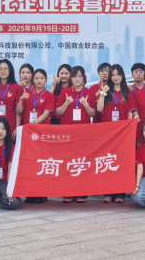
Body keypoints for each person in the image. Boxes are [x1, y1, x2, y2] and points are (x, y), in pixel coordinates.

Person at [96, 64, 136, 203]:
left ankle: (120, 193)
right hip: (107, 132)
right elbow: (99, 108)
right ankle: (108, 192)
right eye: (113, 75)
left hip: (122, 133)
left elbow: (130, 113)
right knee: (107, 161)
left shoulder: (128, 92)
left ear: (122, 75)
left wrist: (130, 130)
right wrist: (102, 93)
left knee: (120, 162)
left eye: (118, 74)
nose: (115, 77)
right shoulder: (106, 90)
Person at [55, 66, 96, 203]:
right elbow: (58, 113)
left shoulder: (89, 93)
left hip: (84, 133)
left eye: (79, 76)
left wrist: (85, 104)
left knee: (82, 162)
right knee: (67, 162)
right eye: (74, 76)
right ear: (71, 78)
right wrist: (66, 103)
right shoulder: (64, 93)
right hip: (67, 133)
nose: (77, 79)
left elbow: (93, 113)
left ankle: (81, 192)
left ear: (84, 78)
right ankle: (68, 192)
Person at [16, 68, 55, 203]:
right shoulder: (26, 94)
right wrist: (20, 99)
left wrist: (33, 124)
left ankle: (42, 192)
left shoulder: (49, 95)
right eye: (36, 78)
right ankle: (30, 192)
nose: (39, 81)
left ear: (46, 80)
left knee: (42, 161)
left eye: (42, 78)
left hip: (42, 131)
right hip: (29, 133)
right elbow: (19, 111)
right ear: (33, 79)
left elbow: (46, 113)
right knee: (30, 162)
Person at [15, 63, 34, 140]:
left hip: (31, 122)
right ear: (19, 75)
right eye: (23, 73)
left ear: (32, 74)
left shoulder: (36, 89)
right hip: (16, 122)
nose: (25, 75)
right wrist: (19, 87)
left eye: (28, 72)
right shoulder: (16, 88)